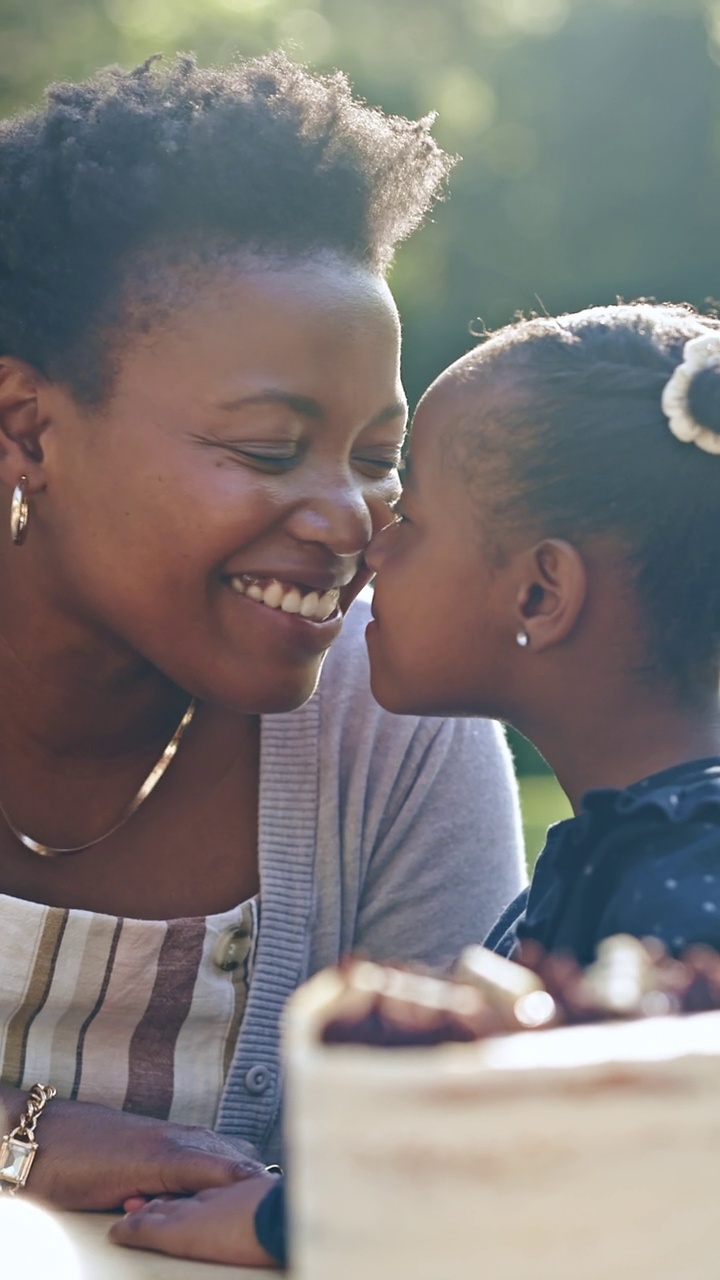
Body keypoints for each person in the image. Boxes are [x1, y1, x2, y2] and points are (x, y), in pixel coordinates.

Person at [0, 53, 526, 1212]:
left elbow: (468, 1175)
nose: (350, 514)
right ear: (27, 430)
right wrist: (17, 1138)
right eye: (268, 447)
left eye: (379, 459)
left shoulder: (397, 731)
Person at [112, 299, 720, 1266]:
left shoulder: (683, 875)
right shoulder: (639, 840)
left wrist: (301, 1224)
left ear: (538, 594)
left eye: (414, 519)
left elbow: (611, 1158)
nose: (369, 546)